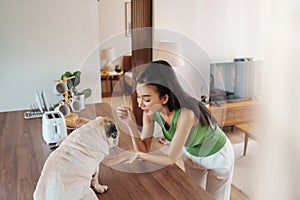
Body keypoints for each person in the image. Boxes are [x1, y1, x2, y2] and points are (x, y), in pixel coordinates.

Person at [104, 60, 234, 200]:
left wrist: (136, 154)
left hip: (217, 154)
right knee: (193, 195)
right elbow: (144, 151)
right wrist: (131, 125)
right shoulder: (149, 112)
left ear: (164, 98)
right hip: (191, 153)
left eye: (146, 99)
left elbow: (170, 159)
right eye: (138, 98)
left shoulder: (186, 114)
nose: (140, 104)